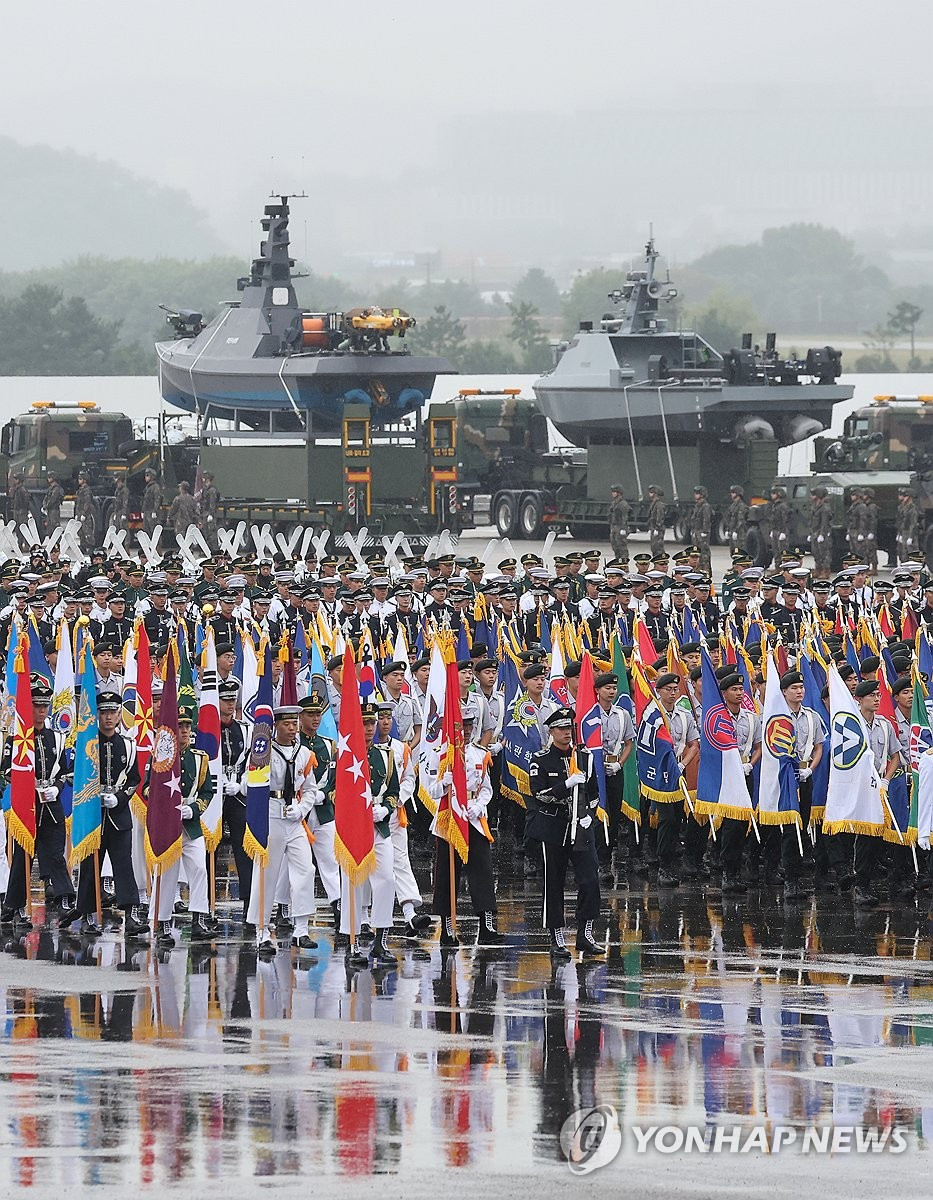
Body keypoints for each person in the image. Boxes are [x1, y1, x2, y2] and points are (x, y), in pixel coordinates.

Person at [0, 677, 76, 928]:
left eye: (45, 706)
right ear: (28, 707)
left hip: (51, 807)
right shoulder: (16, 740)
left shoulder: (58, 738)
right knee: (23, 858)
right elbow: (8, 771)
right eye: (36, 706)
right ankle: (17, 906)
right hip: (26, 807)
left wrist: (57, 788)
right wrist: (29, 785)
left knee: (55, 855)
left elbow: (66, 772)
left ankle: (65, 900)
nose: (41, 711)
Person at [527, 706, 602, 960]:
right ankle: (557, 937)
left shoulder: (584, 758)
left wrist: (588, 817)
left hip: (580, 827)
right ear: (551, 731)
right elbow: (539, 794)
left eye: (569, 728)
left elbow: (594, 794)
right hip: (554, 826)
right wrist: (564, 786)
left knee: (590, 879)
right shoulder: (540, 759)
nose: (567, 733)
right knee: (554, 882)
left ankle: (585, 933)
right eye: (561, 729)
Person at [247, 706, 321, 956]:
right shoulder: (264, 752)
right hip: (270, 814)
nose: (292, 729)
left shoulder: (304, 753)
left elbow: (310, 788)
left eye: (294, 724)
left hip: (294, 817)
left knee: (305, 869)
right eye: (286, 724)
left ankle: (301, 929)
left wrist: (302, 808)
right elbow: (252, 785)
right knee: (267, 873)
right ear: (275, 726)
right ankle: (262, 930)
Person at [74, 691, 148, 937]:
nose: (107, 717)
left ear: (119, 715)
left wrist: (120, 797)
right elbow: (77, 777)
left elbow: (135, 779)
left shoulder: (128, 745)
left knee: (123, 865)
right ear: (97, 714)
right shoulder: (87, 743)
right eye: (103, 712)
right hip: (92, 814)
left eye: (112, 713)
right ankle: (86, 914)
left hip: (118, 814)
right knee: (90, 866)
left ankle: (131, 914)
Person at [430, 710, 501, 947]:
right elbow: (430, 791)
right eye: (463, 725)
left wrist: (479, 806)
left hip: (473, 816)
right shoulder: (443, 754)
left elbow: (487, 788)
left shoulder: (480, 754)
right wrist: (444, 783)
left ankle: (487, 923)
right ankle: (447, 926)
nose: (467, 730)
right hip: (450, 816)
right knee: (447, 874)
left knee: (483, 870)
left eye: (471, 725)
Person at [340, 701, 399, 968]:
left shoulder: (385, 756)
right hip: (353, 828)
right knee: (353, 884)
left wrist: (385, 809)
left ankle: (380, 941)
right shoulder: (345, 755)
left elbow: (394, 792)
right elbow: (332, 791)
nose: (369, 728)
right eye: (364, 723)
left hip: (378, 826)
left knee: (386, 879)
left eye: (372, 723)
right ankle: (352, 943)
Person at [148, 710, 214, 946]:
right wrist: (165, 807)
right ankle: (162, 923)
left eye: (187, 726)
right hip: (167, 824)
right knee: (166, 875)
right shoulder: (160, 756)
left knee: (199, 869)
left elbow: (207, 791)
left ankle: (199, 920)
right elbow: (148, 789)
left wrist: (194, 809)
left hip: (191, 824)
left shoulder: (199, 758)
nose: (184, 730)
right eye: (180, 725)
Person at [809, 486, 833, 579]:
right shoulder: (815, 507)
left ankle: (826, 571)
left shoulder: (824, 508)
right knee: (816, 553)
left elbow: (824, 522)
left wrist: (822, 534)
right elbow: (812, 522)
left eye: (813, 495)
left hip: (821, 533)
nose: (811, 497)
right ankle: (818, 570)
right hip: (815, 533)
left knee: (824, 553)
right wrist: (810, 533)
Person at [690, 485, 713, 573]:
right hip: (696, 532)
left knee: (704, 552)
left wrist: (705, 531)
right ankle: (699, 568)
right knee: (697, 551)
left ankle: (706, 569)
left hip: (702, 533)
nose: (695, 495)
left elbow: (706, 519)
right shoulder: (697, 506)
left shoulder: (705, 506)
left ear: (702, 495)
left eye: (697, 494)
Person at [723, 484, 749, 556]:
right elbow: (728, 519)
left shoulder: (742, 506)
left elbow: (741, 520)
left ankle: (741, 566)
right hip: (732, 531)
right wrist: (727, 530)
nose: (731, 494)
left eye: (733, 492)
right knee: (733, 551)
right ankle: (735, 565)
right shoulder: (733, 506)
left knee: (740, 550)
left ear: (738, 494)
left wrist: (736, 531)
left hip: (739, 533)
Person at [75, 470, 96, 552]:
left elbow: (87, 503)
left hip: (85, 514)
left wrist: (84, 513)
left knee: (88, 531)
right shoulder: (80, 490)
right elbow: (78, 503)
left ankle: (91, 548)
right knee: (81, 532)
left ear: (84, 480)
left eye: (80, 478)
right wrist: (77, 514)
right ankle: (83, 547)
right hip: (80, 513)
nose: (79, 480)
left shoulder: (87, 490)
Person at [608, 484, 631, 562]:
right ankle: (618, 562)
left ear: (619, 493)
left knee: (622, 547)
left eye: (614, 492)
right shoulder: (614, 503)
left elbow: (625, 517)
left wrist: (623, 529)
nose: (613, 493)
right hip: (614, 527)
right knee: (615, 547)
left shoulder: (623, 504)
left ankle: (624, 564)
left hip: (620, 527)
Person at [200, 470, 220, 550]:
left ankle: (214, 551)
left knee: (212, 534)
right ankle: (208, 551)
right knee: (206, 534)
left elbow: (212, 503)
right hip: (204, 514)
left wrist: (211, 514)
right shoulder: (206, 489)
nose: (203, 479)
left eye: (204, 478)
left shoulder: (212, 490)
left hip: (209, 514)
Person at [142, 468, 162, 540]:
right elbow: (145, 501)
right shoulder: (148, 487)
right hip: (147, 512)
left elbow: (157, 500)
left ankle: (158, 549)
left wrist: (155, 511)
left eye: (147, 475)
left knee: (155, 533)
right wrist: (143, 511)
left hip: (152, 512)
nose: (146, 477)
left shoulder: (155, 487)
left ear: (152, 476)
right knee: (146, 532)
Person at [42, 471, 64, 536]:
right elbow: (45, 498)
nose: (48, 479)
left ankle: (57, 544)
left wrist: (46, 506)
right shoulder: (50, 488)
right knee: (49, 529)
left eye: (50, 477)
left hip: (54, 510)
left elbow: (52, 500)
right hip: (49, 511)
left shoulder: (57, 489)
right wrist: (44, 506)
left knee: (55, 528)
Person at [646, 485, 666, 557]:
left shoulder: (659, 505)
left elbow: (660, 517)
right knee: (654, 548)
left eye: (651, 492)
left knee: (658, 548)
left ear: (655, 494)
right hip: (654, 528)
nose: (650, 494)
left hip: (657, 529)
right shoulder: (654, 504)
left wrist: (657, 528)